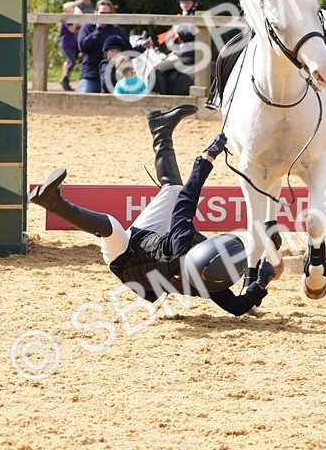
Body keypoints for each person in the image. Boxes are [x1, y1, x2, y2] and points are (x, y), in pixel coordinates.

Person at [28, 105, 272, 316]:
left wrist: (207, 158)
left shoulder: (184, 241)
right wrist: (260, 282)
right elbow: (238, 306)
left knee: (112, 226)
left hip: (124, 261)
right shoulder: (210, 283)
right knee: (173, 189)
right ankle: (161, 130)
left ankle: (53, 202)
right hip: (146, 253)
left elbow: (189, 198)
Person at [152, 0, 200, 96]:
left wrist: (178, 30)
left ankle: (160, 96)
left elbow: (191, 35)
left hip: (188, 53)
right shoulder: (183, 17)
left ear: (195, 3)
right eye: (182, 1)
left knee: (157, 69)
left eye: (187, 2)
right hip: (181, 51)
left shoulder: (195, 17)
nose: (184, 4)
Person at [76, 0, 126, 93]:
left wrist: (142, 47)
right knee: (82, 103)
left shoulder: (116, 29)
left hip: (111, 77)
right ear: (96, 12)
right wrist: (97, 30)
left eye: (108, 13)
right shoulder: (87, 27)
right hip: (90, 76)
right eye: (102, 13)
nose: (105, 16)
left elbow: (128, 50)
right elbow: (82, 47)